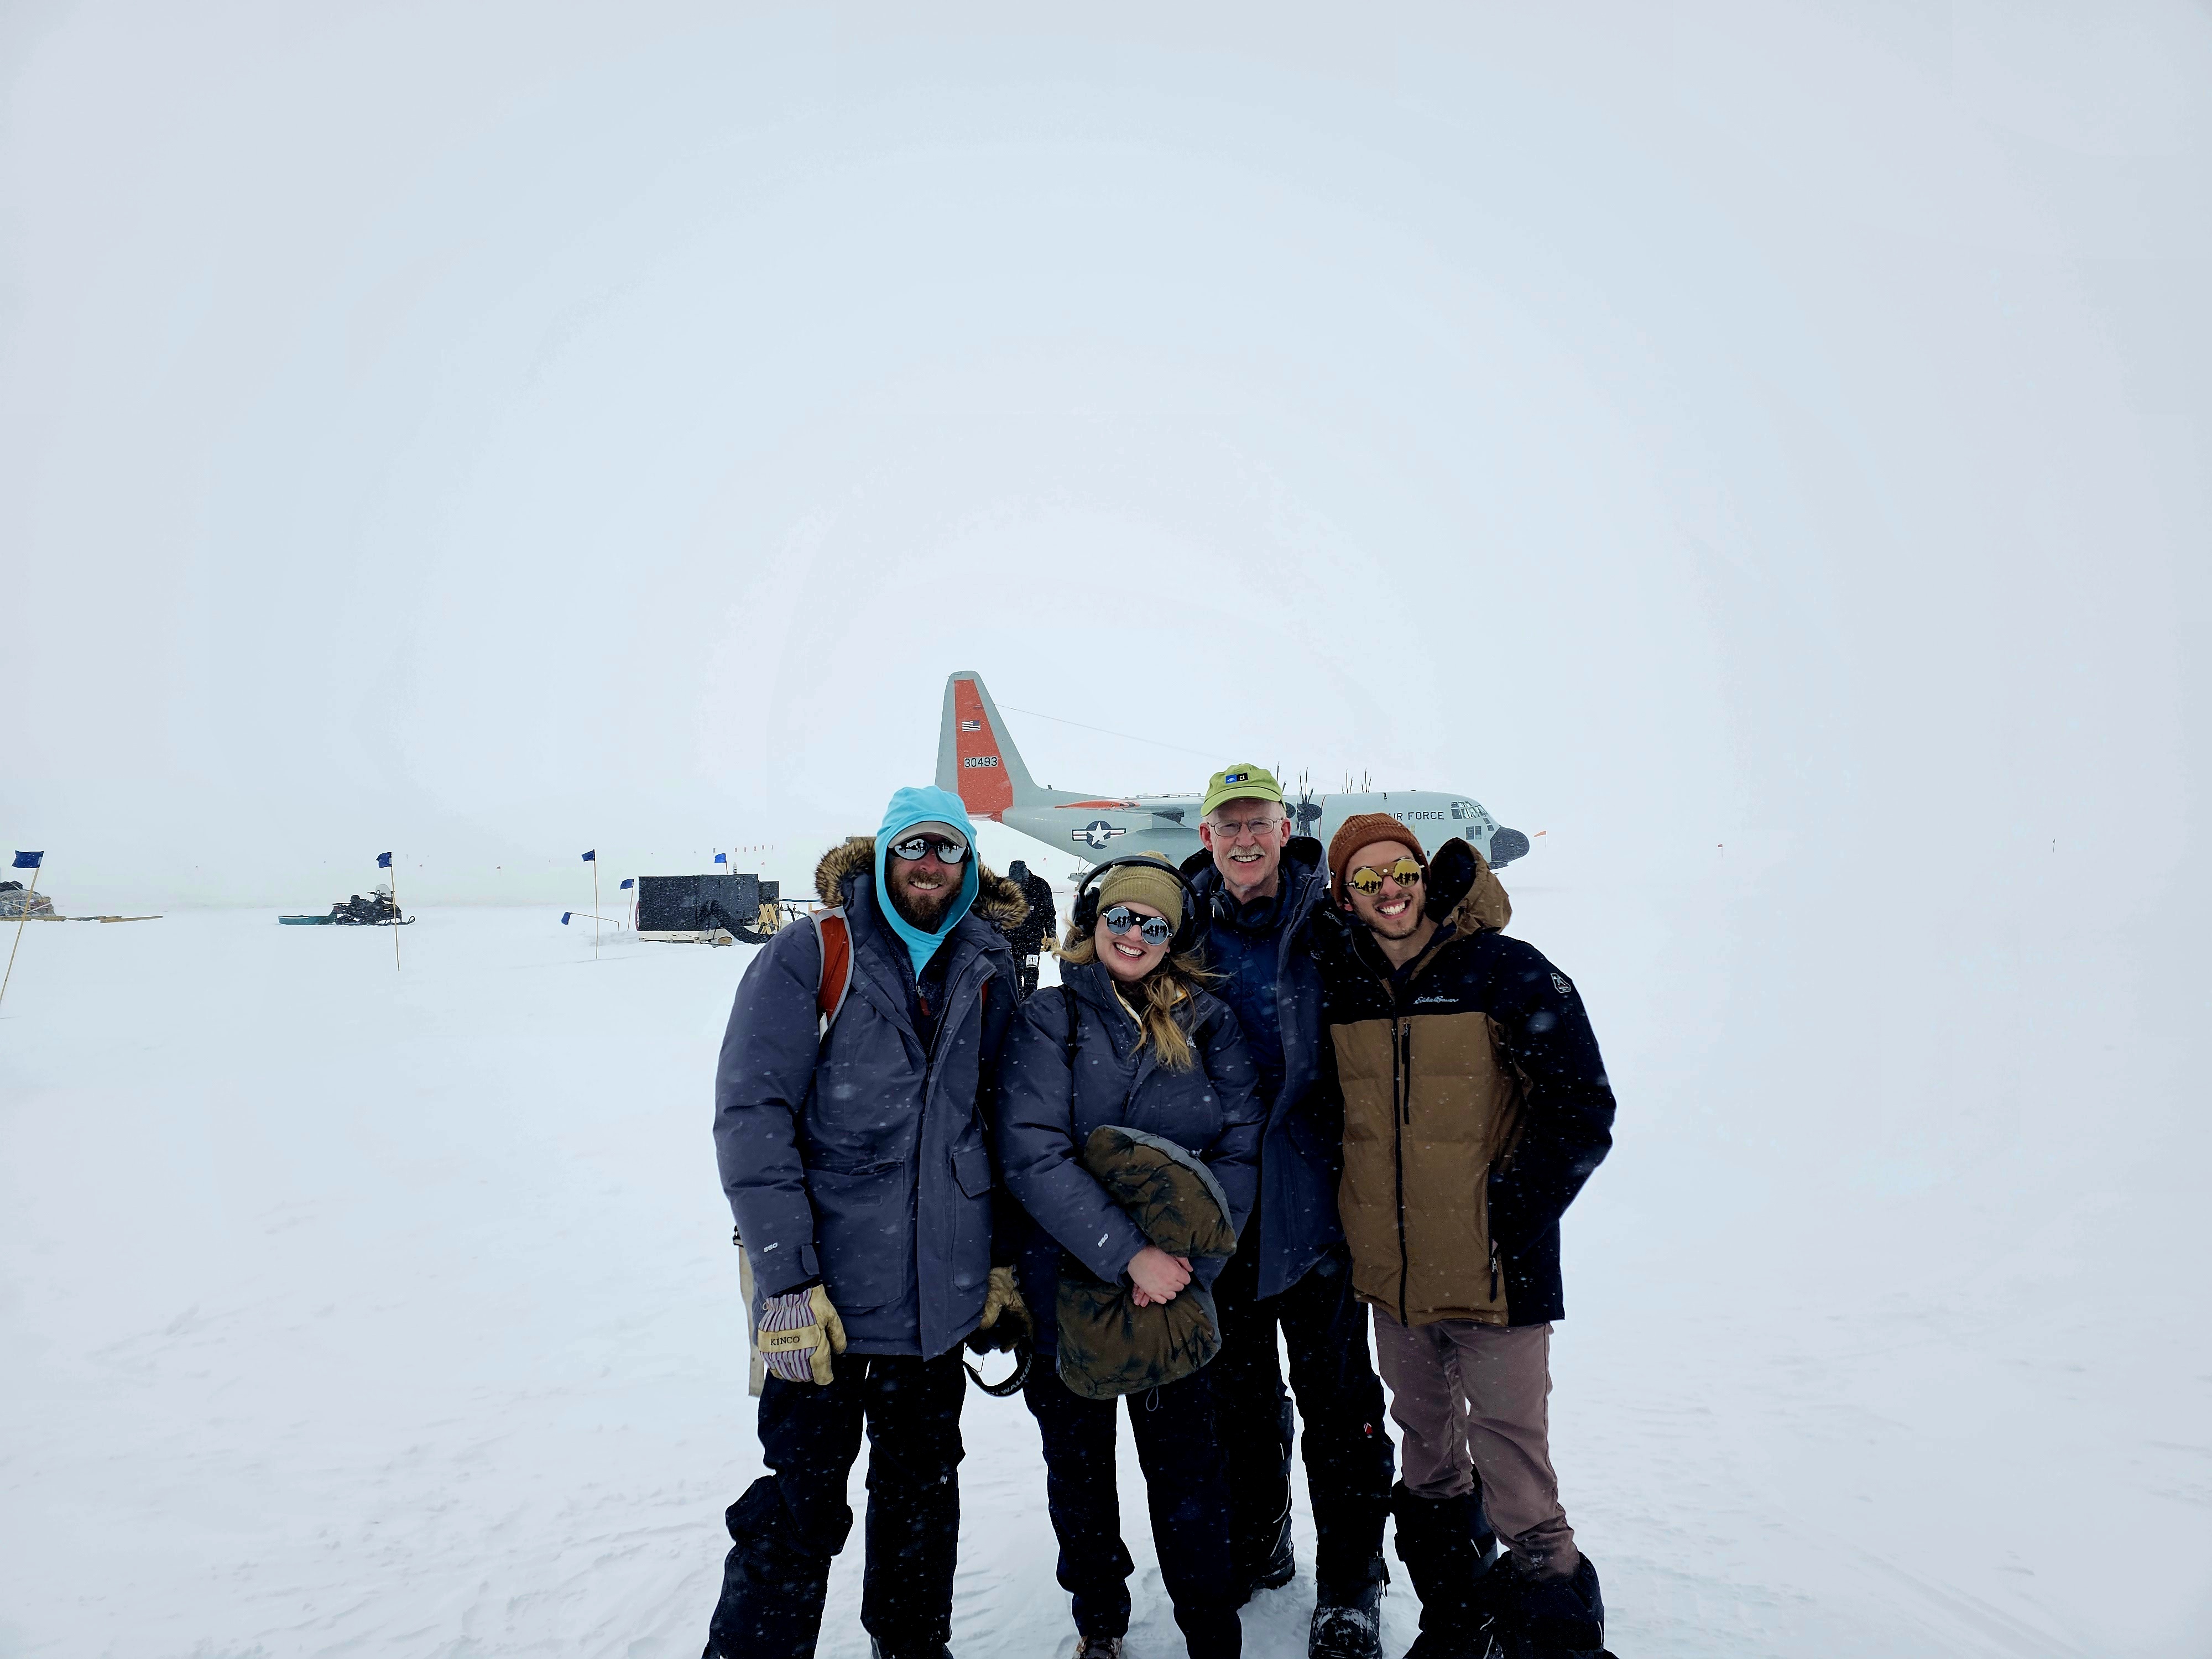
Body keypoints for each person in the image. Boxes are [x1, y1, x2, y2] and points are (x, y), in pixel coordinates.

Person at [706, 785, 1030, 1659]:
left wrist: (999, 1264)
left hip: (933, 1305)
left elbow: (995, 1124)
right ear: (885, 854)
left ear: (969, 863)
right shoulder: (813, 953)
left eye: (949, 849)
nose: (931, 865)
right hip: (824, 1306)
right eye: (915, 847)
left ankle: (912, 1646)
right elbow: (752, 1119)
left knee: (922, 1499)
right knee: (802, 1505)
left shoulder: (988, 966)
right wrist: (785, 1280)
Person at [1317, 815, 1616, 1658]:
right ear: (1347, 898)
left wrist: (1505, 1216)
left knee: (1518, 1480)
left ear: (1426, 873)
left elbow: (1581, 1110)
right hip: (1396, 1282)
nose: (1390, 891)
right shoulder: (1344, 983)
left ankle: (1559, 1641)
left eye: (1401, 870)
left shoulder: (1506, 970)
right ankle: (1454, 1618)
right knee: (1428, 1465)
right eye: (1367, 881)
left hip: (1496, 1279)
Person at [995, 854, 1265, 1659]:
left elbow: (1241, 1147)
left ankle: (1211, 1634)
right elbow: (1033, 1152)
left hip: (1177, 1295)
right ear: (1093, 923)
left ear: (1174, 935)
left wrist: (1187, 1268)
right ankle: (1100, 1625)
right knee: (1079, 1477)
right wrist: (1128, 1255)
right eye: (1121, 917)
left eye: (1154, 923)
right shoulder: (1052, 1020)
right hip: (1066, 1289)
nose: (1136, 934)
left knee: (1189, 1480)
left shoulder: (1209, 1022)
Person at [1178, 766, 1395, 1659]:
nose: (1243, 841)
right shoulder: (1178, 921)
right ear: (1206, 840)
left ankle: (1351, 1584)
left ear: (1283, 826)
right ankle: (1260, 1538)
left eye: (1256, 823)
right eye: (1226, 828)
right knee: (1237, 1399)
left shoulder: (1329, 913)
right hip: (1220, 1207)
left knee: (1341, 1405)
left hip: (1317, 1201)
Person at [1004, 859, 1059, 998]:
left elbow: (1049, 912)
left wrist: (1051, 933)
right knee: (1014, 971)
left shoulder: (1040, 886)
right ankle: (1016, 1000)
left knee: (1031, 970)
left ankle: (1030, 999)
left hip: (1032, 938)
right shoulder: (1004, 887)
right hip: (1011, 939)